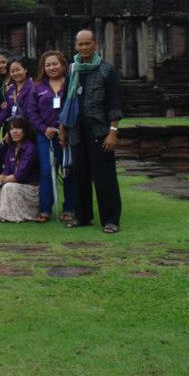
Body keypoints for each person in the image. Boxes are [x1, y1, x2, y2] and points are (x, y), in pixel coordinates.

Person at [60, 29, 123, 234]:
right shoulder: (72, 70)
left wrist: (113, 131)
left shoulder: (106, 71)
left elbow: (114, 103)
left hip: (100, 130)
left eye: (88, 44)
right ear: (76, 46)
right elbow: (66, 102)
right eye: (80, 44)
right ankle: (83, 215)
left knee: (104, 177)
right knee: (80, 175)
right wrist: (63, 127)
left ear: (95, 44)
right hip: (77, 130)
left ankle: (111, 219)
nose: (84, 48)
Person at [28, 50, 76, 223]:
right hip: (45, 135)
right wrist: (43, 128)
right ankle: (45, 210)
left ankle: (70, 208)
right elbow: (31, 112)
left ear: (63, 64)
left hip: (68, 135)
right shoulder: (38, 86)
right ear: (43, 68)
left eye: (55, 63)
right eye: (48, 65)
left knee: (67, 170)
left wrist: (67, 128)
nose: (52, 67)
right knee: (47, 171)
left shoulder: (71, 83)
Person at [0, 115, 40, 222]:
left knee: (8, 186)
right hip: (15, 185)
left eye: (18, 128)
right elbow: (6, 172)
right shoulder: (11, 149)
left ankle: (11, 216)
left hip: (30, 189)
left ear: (25, 130)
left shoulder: (31, 148)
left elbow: (19, 176)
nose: (14, 131)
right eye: (11, 129)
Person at [0, 55, 34, 128]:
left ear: (25, 69)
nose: (15, 73)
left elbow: (30, 111)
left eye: (18, 70)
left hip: (29, 128)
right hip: (15, 128)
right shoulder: (11, 89)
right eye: (12, 71)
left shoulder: (33, 87)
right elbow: (6, 110)